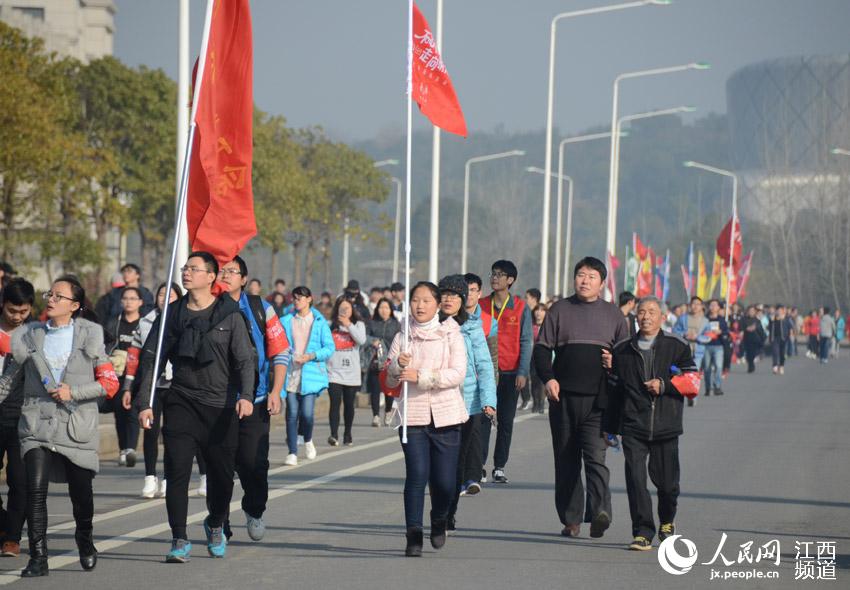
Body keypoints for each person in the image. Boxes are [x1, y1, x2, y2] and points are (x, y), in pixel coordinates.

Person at [136, 251, 257, 562]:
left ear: (211, 277)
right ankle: (178, 538)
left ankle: (216, 523)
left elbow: (245, 359)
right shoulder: (171, 316)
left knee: (221, 476)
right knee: (176, 470)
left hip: (221, 407)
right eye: (185, 268)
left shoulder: (229, 314)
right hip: (181, 401)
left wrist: (246, 395)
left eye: (193, 268)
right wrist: (145, 402)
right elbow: (152, 358)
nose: (186, 273)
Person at [5, 276, 119, 576]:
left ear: (75, 305)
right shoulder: (28, 336)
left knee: (81, 495)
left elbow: (109, 383)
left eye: (59, 295)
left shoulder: (91, 336)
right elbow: (8, 380)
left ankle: (85, 539)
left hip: (75, 426)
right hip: (35, 425)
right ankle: (38, 558)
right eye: (50, 294)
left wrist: (74, 393)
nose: (51, 299)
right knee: (35, 490)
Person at [533, 257, 629, 539]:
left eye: (591, 276)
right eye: (580, 275)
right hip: (562, 399)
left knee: (596, 459)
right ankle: (571, 519)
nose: (584, 280)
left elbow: (626, 355)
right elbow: (541, 350)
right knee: (566, 460)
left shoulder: (613, 315)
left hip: (599, 402)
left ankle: (600, 511)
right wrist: (548, 378)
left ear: (602, 283)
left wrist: (615, 361)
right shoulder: (560, 310)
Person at [605, 296, 698, 551]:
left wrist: (665, 385)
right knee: (635, 480)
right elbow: (614, 390)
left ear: (662, 317)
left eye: (651, 312)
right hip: (633, 424)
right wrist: (610, 427)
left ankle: (667, 521)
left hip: (666, 424)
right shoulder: (622, 348)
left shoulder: (677, 346)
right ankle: (642, 531)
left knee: (667, 484)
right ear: (635, 317)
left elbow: (693, 381)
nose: (645, 316)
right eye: (641, 312)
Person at [385, 281, 468, 557]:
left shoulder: (451, 334)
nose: (419, 306)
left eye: (425, 301)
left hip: (446, 417)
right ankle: (413, 535)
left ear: (437, 304)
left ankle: (440, 518)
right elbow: (388, 377)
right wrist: (399, 366)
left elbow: (457, 373)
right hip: (413, 416)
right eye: (415, 300)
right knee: (417, 476)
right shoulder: (402, 336)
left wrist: (421, 377)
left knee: (445, 483)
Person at [218, 256, 289, 542]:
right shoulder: (206, 308)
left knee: (253, 463)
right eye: (221, 271)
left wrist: (276, 391)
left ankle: (254, 509)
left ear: (244, 279)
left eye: (232, 271)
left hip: (256, 401)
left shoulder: (261, 308)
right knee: (219, 465)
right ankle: (218, 522)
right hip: (217, 402)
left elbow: (280, 351)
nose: (226, 276)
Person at [123, 282, 208, 499]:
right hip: (153, 385)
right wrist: (128, 387)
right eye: (161, 294)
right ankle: (149, 478)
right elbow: (134, 358)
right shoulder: (145, 322)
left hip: (177, 385)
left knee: (175, 435)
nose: (165, 298)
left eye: (170, 295)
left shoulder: (185, 318)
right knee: (150, 433)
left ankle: (171, 479)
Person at [438, 275, 496, 533]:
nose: (449, 299)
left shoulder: (472, 327)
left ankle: (449, 513)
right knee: (438, 465)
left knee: (456, 463)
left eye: (455, 294)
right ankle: (440, 509)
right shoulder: (430, 326)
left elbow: (484, 365)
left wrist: (488, 401)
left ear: (463, 300)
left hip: (467, 403)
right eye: (445, 294)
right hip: (437, 401)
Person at [479, 260, 532, 484]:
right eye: (493, 273)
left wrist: (523, 371)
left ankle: (499, 466)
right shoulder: (481, 304)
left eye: (500, 275)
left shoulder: (520, 307)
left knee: (505, 421)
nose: (494, 278)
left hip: (510, 372)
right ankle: (478, 465)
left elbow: (527, 340)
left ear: (510, 280)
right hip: (485, 372)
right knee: (482, 420)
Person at [279, 286, 334, 466]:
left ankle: (308, 439)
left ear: (309, 299)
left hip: (310, 373)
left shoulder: (319, 321)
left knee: (307, 414)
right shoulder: (286, 321)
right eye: (294, 298)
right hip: (291, 373)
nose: (297, 301)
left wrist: (311, 356)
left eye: (301, 298)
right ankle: (292, 452)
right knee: (292, 413)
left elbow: (329, 348)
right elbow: (279, 344)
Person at [0, 278, 34, 557]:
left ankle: (12, 537)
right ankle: (3, 523)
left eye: (23, 312)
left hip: (23, 416)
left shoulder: (36, 335)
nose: (17, 316)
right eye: (12, 310)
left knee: (19, 479)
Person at [106, 286, 144, 467]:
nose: (129, 301)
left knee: (132, 411)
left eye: (133, 298)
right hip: (117, 373)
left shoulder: (144, 325)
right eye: (126, 298)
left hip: (138, 374)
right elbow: (105, 346)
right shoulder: (114, 323)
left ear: (140, 302)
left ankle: (130, 449)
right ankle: (123, 449)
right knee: (119, 411)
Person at [327, 297, 367, 446]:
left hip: (351, 373)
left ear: (352, 310)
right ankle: (333, 434)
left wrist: (348, 325)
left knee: (349, 405)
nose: (344, 311)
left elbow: (361, 340)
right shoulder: (330, 325)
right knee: (334, 404)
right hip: (333, 372)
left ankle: (347, 433)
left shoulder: (358, 324)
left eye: (347, 308)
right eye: (341, 308)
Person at [365, 298, 400, 426]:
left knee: (388, 388)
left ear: (391, 310)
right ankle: (375, 415)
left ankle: (388, 410)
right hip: (375, 360)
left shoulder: (396, 324)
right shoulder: (372, 323)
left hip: (390, 361)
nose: (383, 310)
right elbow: (365, 337)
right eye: (381, 307)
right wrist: (372, 341)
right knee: (375, 389)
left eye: (386, 308)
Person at [702, 299, 729, 396]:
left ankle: (717, 386)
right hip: (706, 346)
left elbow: (726, 332)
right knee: (707, 368)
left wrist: (721, 332)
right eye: (711, 305)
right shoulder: (705, 319)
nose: (713, 307)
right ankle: (708, 387)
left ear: (718, 308)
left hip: (718, 346)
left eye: (715, 305)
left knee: (718, 366)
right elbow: (700, 331)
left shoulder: (721, 320)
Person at [530, 304, 548, 414]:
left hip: (545, 358)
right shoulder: (531, 327)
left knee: (542, 381)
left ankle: (541, 403)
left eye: (542, 310)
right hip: (532, 358)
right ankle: (535, 402)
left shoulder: (548, 327)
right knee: (534, 381)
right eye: (537, 310)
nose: (539, 313)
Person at [742, 305, 766, 373]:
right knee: (748, 354)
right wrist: (747, 328)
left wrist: (755, 328)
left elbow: (761, 330)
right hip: (746, 338)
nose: (751, 312)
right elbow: (742, 327)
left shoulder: (757, 320)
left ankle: (751, 365)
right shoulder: (744, 319)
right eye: (750, 311)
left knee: (752, 353)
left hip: (755, 339)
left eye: (752, 311)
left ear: (755, 312)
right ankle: (750, 364)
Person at [769, 305, 790, 375]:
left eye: (780, 310)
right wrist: (771, 321)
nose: (779, 311)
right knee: (775, 352)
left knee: (782, 354)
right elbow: (769, 327)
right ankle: (775, 366)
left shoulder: (786, 318)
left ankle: (781, 366)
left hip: (783, 338)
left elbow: (789, 327)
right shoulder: (772, 318)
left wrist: (783, 319)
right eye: (777, 310)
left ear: (782, 311)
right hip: (774, 338)